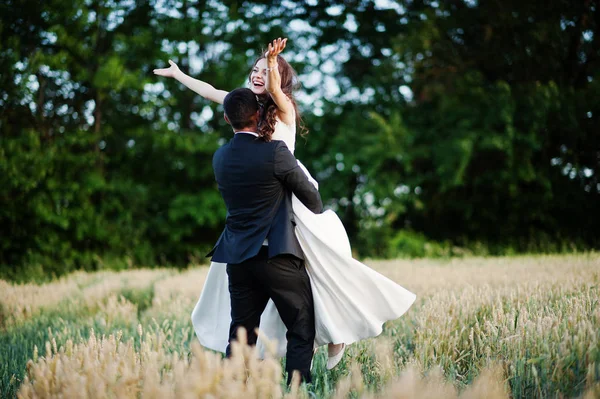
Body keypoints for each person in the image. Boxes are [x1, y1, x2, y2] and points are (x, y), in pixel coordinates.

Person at [154, 38, 417, 370]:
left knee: (324, 266)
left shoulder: (283, 108)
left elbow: (277, 92)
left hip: (293, 192)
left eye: (267, 71)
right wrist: (179, 76)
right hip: (268, 197)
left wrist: (272, 61)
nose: (258, 75)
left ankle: (338, 329)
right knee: (286, 284)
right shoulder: (245, 106)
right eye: (255, 70)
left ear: (279, 77)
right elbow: (209, 91)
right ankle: (308, 348)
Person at [210, 88, 322, 384]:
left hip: (237, 259)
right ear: (258, 115)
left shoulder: (220, 157)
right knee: (300, 327)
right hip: (276, 256)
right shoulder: (275, 152)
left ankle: (234, 388)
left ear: (226, 118)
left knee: (241, 333)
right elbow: (313, 200)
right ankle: (298, 389)